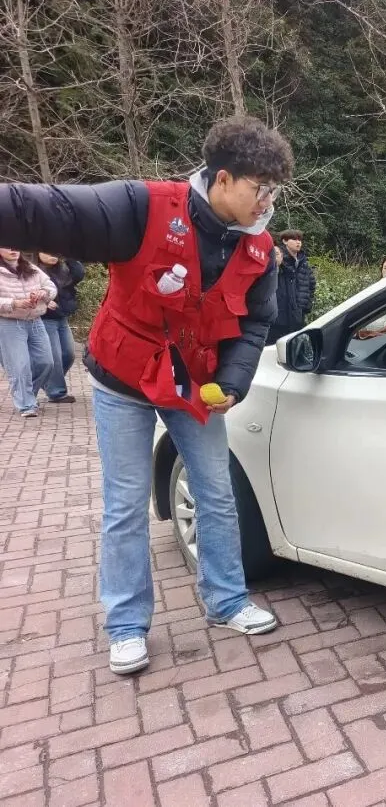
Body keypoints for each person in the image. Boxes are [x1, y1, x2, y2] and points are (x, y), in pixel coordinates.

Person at [0, 115, 291, 675]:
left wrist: (233, 383)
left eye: (274, 191)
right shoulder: (143, 207)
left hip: (195, 386)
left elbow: (256, 322)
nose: (267, 202)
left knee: (217, 494)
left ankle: (227, 600)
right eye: (261, 188)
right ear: (224, 179)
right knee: (126, 503)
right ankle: (127, 625)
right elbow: (46, 209)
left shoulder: (259, 249)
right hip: (123, 379)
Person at [0, 248, 56, 417]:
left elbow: (51, 287)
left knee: (46, 362)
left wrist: (43, 293)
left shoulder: (31, 267)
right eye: (7, 246)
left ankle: (26, 393)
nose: (13, 249)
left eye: (15, 245)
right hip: (9, 322)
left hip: (35, 321)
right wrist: (14, 303)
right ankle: (26, 405)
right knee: (20, 365)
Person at [35, 252, 85, 403]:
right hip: (45, 318)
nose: (52, 254)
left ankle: (48, 382)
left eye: (55, 250)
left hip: (61, 317)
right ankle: (56, 392)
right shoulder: (34, 271)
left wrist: (69, 254)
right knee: (55, 357)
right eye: (47, 251)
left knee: (69, 354)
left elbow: (78, 274)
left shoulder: (63, 269)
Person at [268, 229, 315, 344]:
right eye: (294, 239)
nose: (298, 242)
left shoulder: (303, 263)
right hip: (278, 315)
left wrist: (306, 306)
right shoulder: (278, 257)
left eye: (300, 240)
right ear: (285, 241)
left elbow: (311, 285)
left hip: (298, 315)